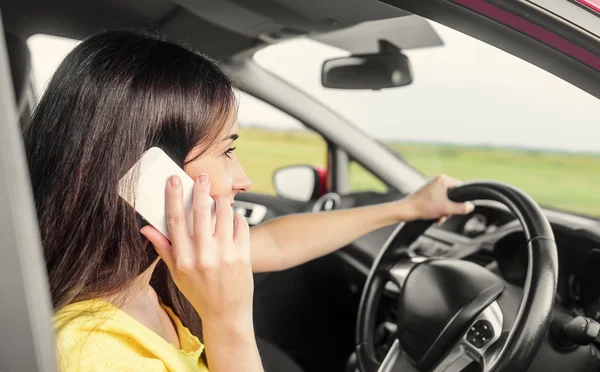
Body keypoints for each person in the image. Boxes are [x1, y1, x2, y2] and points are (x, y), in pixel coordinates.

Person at [23, 29, 474, 372]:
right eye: (226, 152)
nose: (242, 178)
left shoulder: (152, 268)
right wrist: (228, 320)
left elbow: (276, 245)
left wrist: (406, 208)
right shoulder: (92, 352)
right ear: (143, 174)